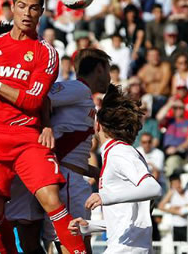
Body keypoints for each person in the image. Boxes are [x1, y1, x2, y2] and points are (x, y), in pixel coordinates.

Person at [0, 0, 86, 253]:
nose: (26, 13)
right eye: (21, 6)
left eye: (33, 8)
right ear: (12, 8)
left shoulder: (47, 53)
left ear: (41, 13)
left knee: (51, 200)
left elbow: (33, 100)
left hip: (28, 138)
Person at [7, 48, 111, 253]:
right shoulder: (79, 88)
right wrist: (46, 127)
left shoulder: (82, 95)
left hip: (56, 174)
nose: (109, 76)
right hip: (66, 179)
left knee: (38, 241)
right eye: (108, 70)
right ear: (100, 68)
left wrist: (94, 171)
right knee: (74, 243)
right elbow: (40, 97)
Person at [68, 84, 162, 252]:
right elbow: (127, 218)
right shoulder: (116, 153)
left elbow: (153, 187)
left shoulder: (119, 152)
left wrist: (105, 196)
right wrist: (89, 226)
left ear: (99, 126)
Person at [158, 173, 188, 241]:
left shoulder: (187, 192)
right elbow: (161, 206)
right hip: (176, 225)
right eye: (174, 184)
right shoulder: (172, 192)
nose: (177, 185)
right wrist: (176, 211)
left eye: (178, 183)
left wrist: (178, 207)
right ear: (171, 185)